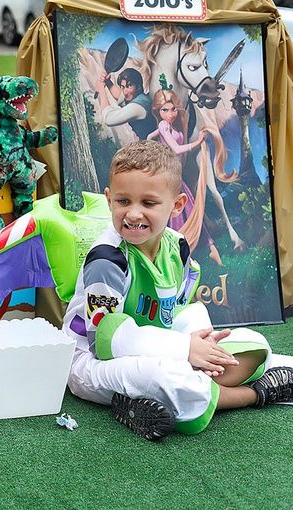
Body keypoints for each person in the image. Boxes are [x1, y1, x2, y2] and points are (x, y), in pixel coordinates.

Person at [62, 140, 293, 440]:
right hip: (92, 363)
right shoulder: (107, 259)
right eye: (123, 202)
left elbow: (177, 311)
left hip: (157, 340)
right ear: (109, 200)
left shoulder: (177, 246)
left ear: (178, 205)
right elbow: (104, 341)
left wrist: (196, 345)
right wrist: (184, 350)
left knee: (255, 344)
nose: (133, 214)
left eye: (148, 203)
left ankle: (178, 390)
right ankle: (254, 394)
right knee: (165, 378)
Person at [147, 85, 222, 266]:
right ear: (158, 111)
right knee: (178, 213)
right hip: (167, 175)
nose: (170, 113)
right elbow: (176, 148)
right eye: (165, 110)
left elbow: (150, 137)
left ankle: (209, 246)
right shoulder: (163, 125)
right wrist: (197, 142)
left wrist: (154, 146)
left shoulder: (168, 126)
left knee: (189, 209)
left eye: (173, 109)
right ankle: (180, 251)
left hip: (174, 173)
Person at [96, 68, 155, 140]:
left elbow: (109, 119)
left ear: (138, 86)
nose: (125, 92)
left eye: (129, 86)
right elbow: (121, 96)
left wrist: (101, 90)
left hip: (152, 147)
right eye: (123, 87)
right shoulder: (141, 97)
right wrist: (108, 82)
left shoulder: (137, 107)